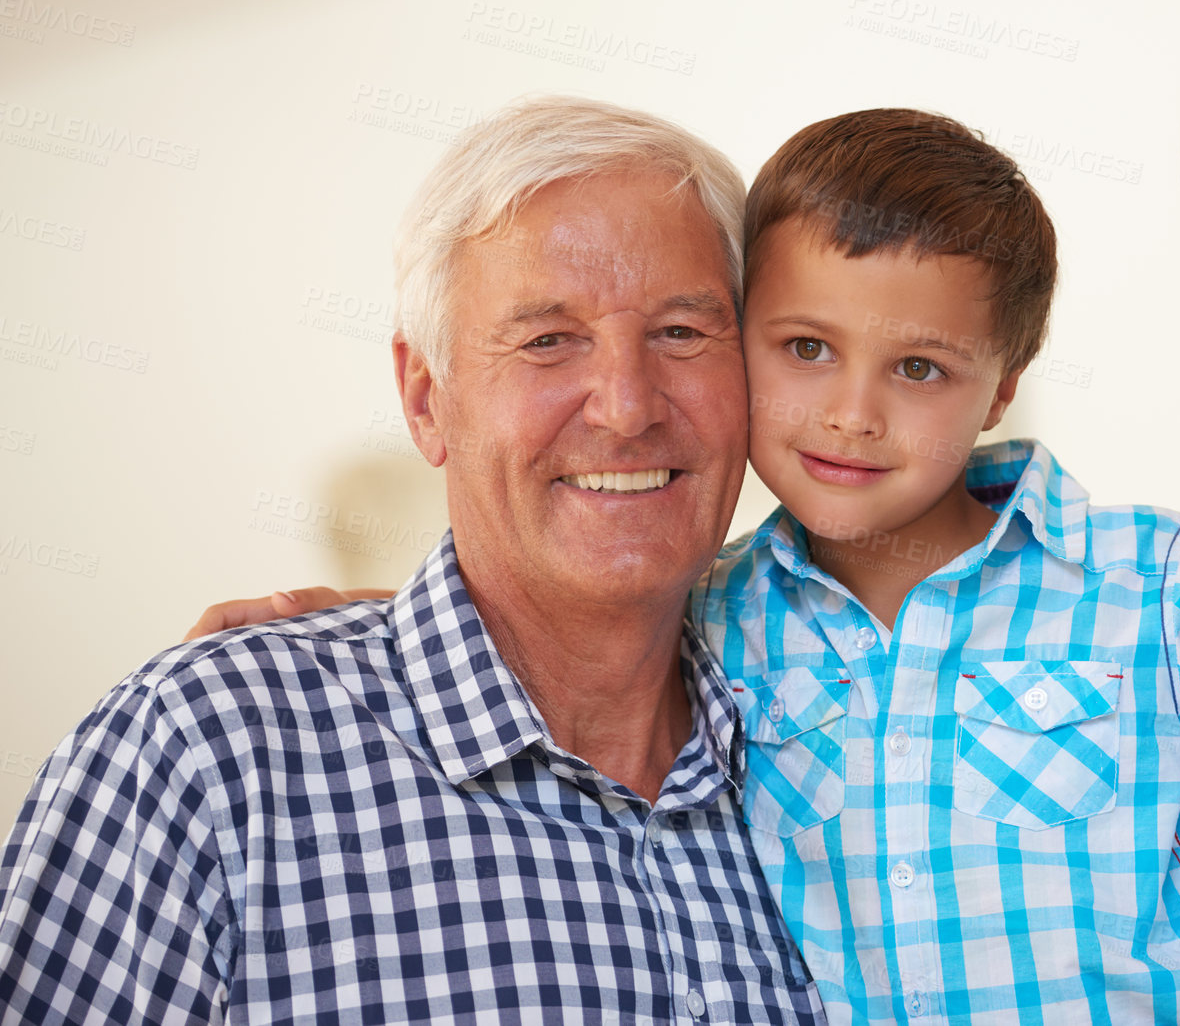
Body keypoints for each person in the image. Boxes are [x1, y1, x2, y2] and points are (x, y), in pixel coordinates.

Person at [179, 104, 1180, 1024]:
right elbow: (553, 623)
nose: (852, 416)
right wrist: (382, 621)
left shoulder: (1147, 584)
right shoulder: (722, 623)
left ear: (1005, 386)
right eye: (806, 349)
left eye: (920, 369)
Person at [0, 98, 825, 1022]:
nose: (627, 406)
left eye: (681, 331)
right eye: (547, 340)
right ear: (426, 398)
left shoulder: (838, 742)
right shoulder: (206, 752)